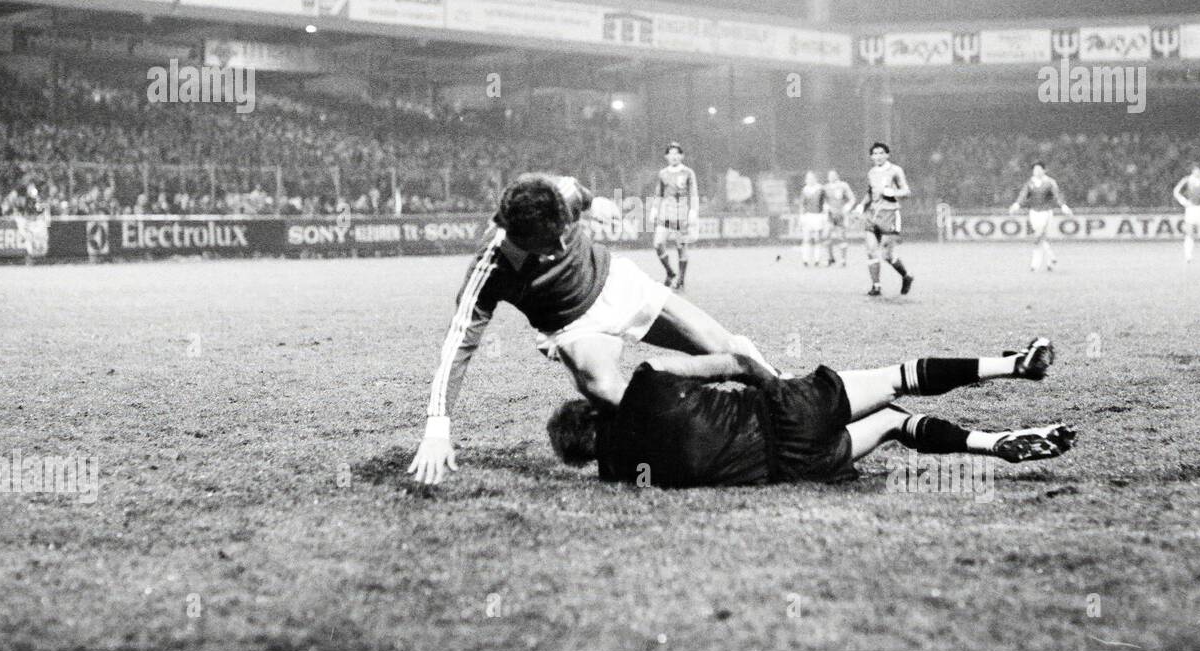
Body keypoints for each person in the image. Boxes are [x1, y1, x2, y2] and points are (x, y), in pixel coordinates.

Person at [409, 172, 776, 486]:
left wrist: (599, 203)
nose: (561, 244)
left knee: (727, 347)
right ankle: (683, 446)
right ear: (514, 234)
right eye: (548, 244)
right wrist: (436, 432)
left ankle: (793, 398)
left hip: (617, 283)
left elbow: (583, 197)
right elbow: (456, 349)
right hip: (574, 325)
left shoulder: (561, 195)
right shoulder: (489, 270)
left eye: (564, 231)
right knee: (608, 391)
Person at [546, 338, 1074, 487]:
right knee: (898, 378)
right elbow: (737, 360)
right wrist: (782, 389)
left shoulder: (618, 474)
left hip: (796, 466)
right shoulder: (646, 383)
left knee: (892, 421)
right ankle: (1011, 365)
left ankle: (991, 444)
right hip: (783, 412)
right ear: (593, 408)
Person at [861, 143, 913, 295]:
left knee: (887, 255)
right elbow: (870, 193)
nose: (878, 156)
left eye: (881, 153)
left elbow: (907, 191)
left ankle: (906, 276)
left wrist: (892, 192)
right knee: (871, 251)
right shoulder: (871, 173)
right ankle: (876, 286)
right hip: (873, 215)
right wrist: (861, 205)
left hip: (889, 214)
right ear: (871, 156)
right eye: (875, 154)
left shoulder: (895, 170)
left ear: (887, 155)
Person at [649, 142, 699, 290]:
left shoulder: (688, 173)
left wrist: (693, 211)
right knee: (658, 244)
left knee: (681, 247)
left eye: (677, 153)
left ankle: (681, 280)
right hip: (665, 214)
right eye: (671, 153)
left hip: (681, 215)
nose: (674, 156)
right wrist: (654, 209)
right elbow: (659, 194)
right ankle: (670, 273)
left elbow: (694, 193)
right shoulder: (663, 173)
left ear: (682, 156)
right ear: (666, 156)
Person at [1008, 161, 1073, 271]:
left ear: (1044, 170)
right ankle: (1050, 260)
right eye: (1034, 170)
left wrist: (1063, 206)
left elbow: (1057, 196)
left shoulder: (1050, 182)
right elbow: (1023, 195)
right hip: (1033, 212)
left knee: (1038, 236)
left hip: (1046, 212)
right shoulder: (1030, 183)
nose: (1036, 172)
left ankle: (1035, 264)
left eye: (1039, 169)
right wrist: (1016, 205)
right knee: (1041, 237)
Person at [822, 169, 857, 267]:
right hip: (830, 215)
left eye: (833, 175)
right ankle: (830, 258)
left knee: (841, 237)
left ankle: (843, 260)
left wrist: (847, 207)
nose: (831, 177)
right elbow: (823, 200)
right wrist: (825, 206)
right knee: (825, 236)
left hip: (840, 215)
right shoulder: (826, 187)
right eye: (829, 175)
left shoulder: (843, 186)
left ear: (837, 176)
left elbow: (852, 198)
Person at [799, 171, 827, 267]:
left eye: (811, 178)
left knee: (817, 239)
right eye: (808, 178)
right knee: (806, 238)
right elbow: (802, 204)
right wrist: (802, 217)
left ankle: (817, 260)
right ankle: (805, 260)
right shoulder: (805, 190)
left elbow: (824, 203)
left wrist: (824, 216)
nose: (809, 180)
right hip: (808, 216)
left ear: (815, 178)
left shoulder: (820, 189)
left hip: (818, 216)